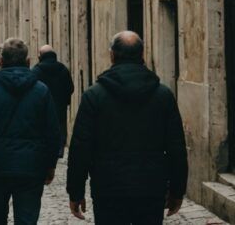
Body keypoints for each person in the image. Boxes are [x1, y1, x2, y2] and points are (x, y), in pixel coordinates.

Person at [66, 31, 188, 224]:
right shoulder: (163, 95)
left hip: (108, 187)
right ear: (142, 55)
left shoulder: (94, 96)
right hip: (150, 186)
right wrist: (177, 190)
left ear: (112, 55)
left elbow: (81, 147)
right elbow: (176, 147)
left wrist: (75, 191)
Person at [0, 38, 60, 225]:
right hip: (31, 166)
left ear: (0, 62)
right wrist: (50, 164)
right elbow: (52, 132)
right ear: (28, 62)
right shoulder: (41, 91)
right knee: (27, 219)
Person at [32, 45, 74, 157]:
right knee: (60, 126)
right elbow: (70, 87)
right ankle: (60, 149)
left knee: (43, 126)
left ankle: (45, 149)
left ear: (40, 56)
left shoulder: (36, 70)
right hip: (60, 105)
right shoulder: (63, 69)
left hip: (42, 106)